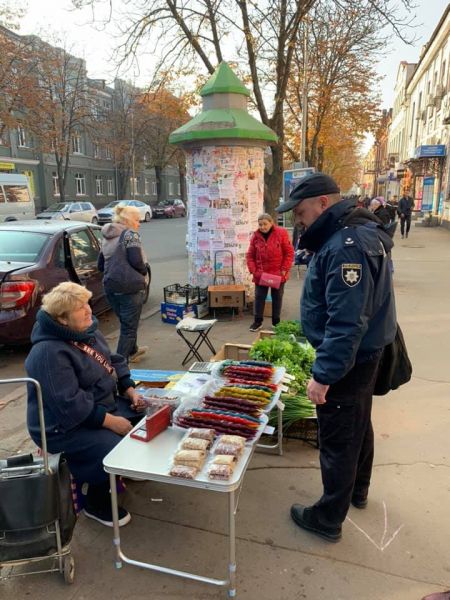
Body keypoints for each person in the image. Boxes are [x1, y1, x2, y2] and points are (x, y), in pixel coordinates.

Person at [276, 172, 397, 542]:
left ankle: (327, 518)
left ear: (324, 203)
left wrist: (323, 374)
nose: (297, 218)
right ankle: (357, 490)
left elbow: (347, 321)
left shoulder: (346, 244)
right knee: (358, 423)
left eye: (300, 210)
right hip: (363, 355)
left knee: (339, 437)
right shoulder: (351, 233)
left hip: (349, 360)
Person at [25, 282, 146, 527]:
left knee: (147, 416)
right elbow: (69, 405)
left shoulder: (86, 330)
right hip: (61, 427)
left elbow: (113, 360)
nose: (88, 310)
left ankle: (123, 469)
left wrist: (130, 390)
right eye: (80, 308)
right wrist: (112, 423)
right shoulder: (48, 353)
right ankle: (96, 503)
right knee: (112, 446)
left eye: (87, 303)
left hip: (99, 405)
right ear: (62, 319)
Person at [98, 204, 148, 363]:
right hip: (129, 288)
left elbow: (100, 265)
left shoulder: (106, 237)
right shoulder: (130, 235)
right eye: (137, 219)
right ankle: (118, 364)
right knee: (129, 329)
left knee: (126, 322)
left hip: (110, 287)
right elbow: (136, 260)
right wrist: (143, 271)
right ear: (128, 220)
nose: (139, 223)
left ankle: (133, 351)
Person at [246, 212, 294, 332]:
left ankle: (276, 322)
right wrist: (254, 270)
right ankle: (257, 322)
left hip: (278, 273)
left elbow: (289, 253)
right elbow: (250, 255)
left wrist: (284, 269)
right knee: (259, 298)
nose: (262, 227)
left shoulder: (281, 233)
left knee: (277, 298)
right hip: (261, 274)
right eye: (260, 224)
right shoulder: (256, 236)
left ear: (271, 223)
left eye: (265, 224)